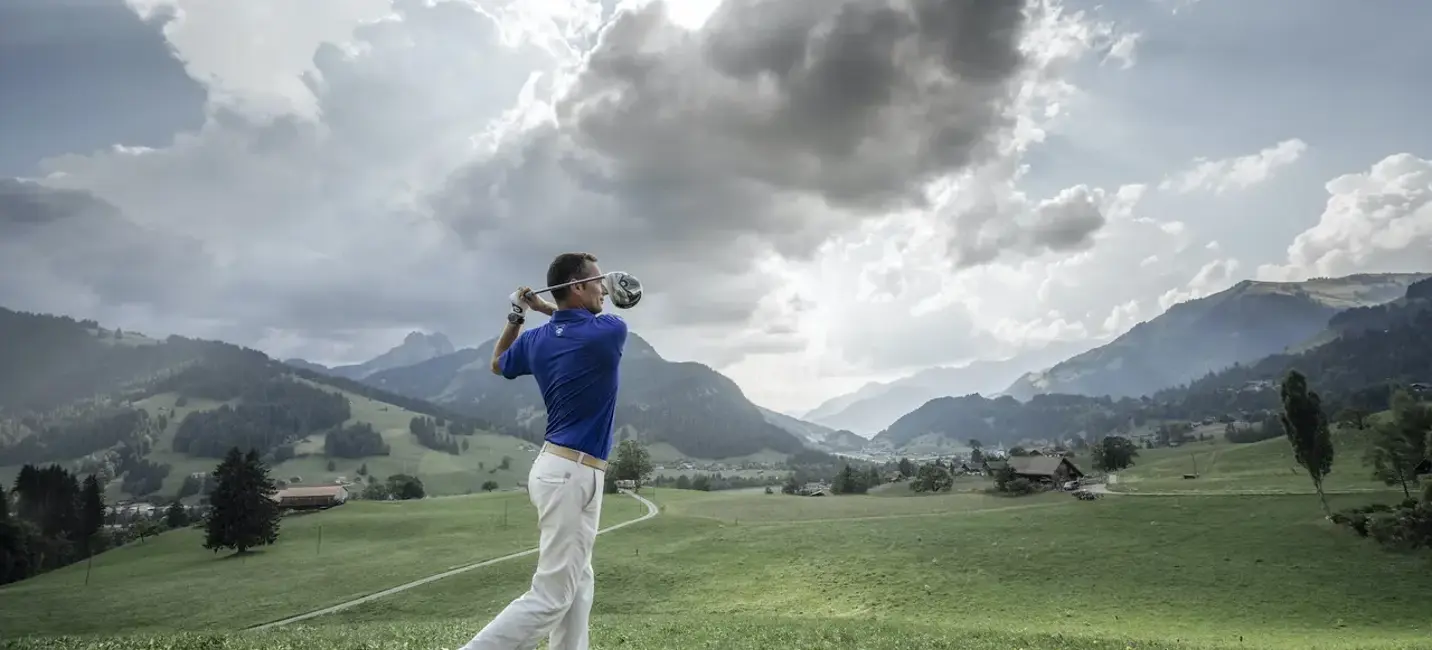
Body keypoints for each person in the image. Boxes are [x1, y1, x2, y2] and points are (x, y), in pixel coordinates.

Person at [457, 252, 628, 650]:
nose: (604, 289)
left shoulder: (537, 339)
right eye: (597, 281)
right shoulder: (609, 331)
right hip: (572, 474)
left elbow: (498, 363)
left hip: (559, 469)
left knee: (578, 581)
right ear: (577, 286)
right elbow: (576, 322)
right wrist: (543, 307)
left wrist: (518, 315)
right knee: (552, 595)